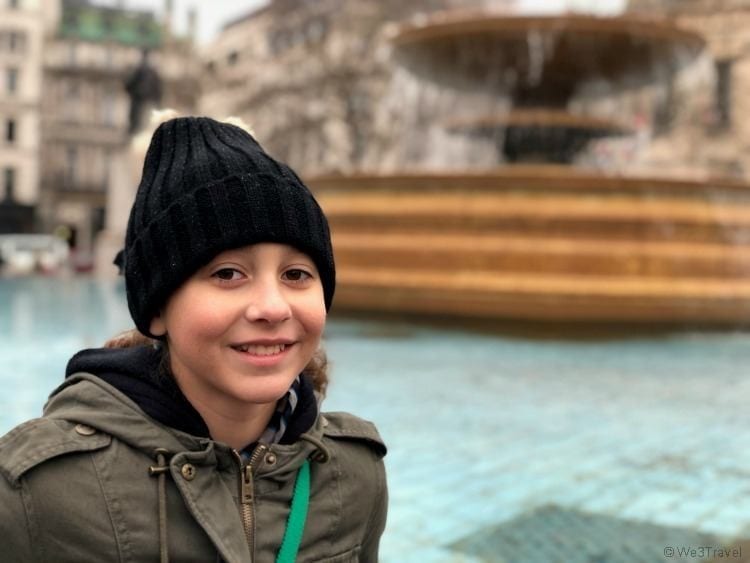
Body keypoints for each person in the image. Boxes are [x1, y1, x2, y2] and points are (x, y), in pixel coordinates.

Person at [0, 116, 388, 562]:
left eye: (296, 274)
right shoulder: (36, 490)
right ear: (159, 309)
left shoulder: (357, 474)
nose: (273, 307)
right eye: (227, 274)